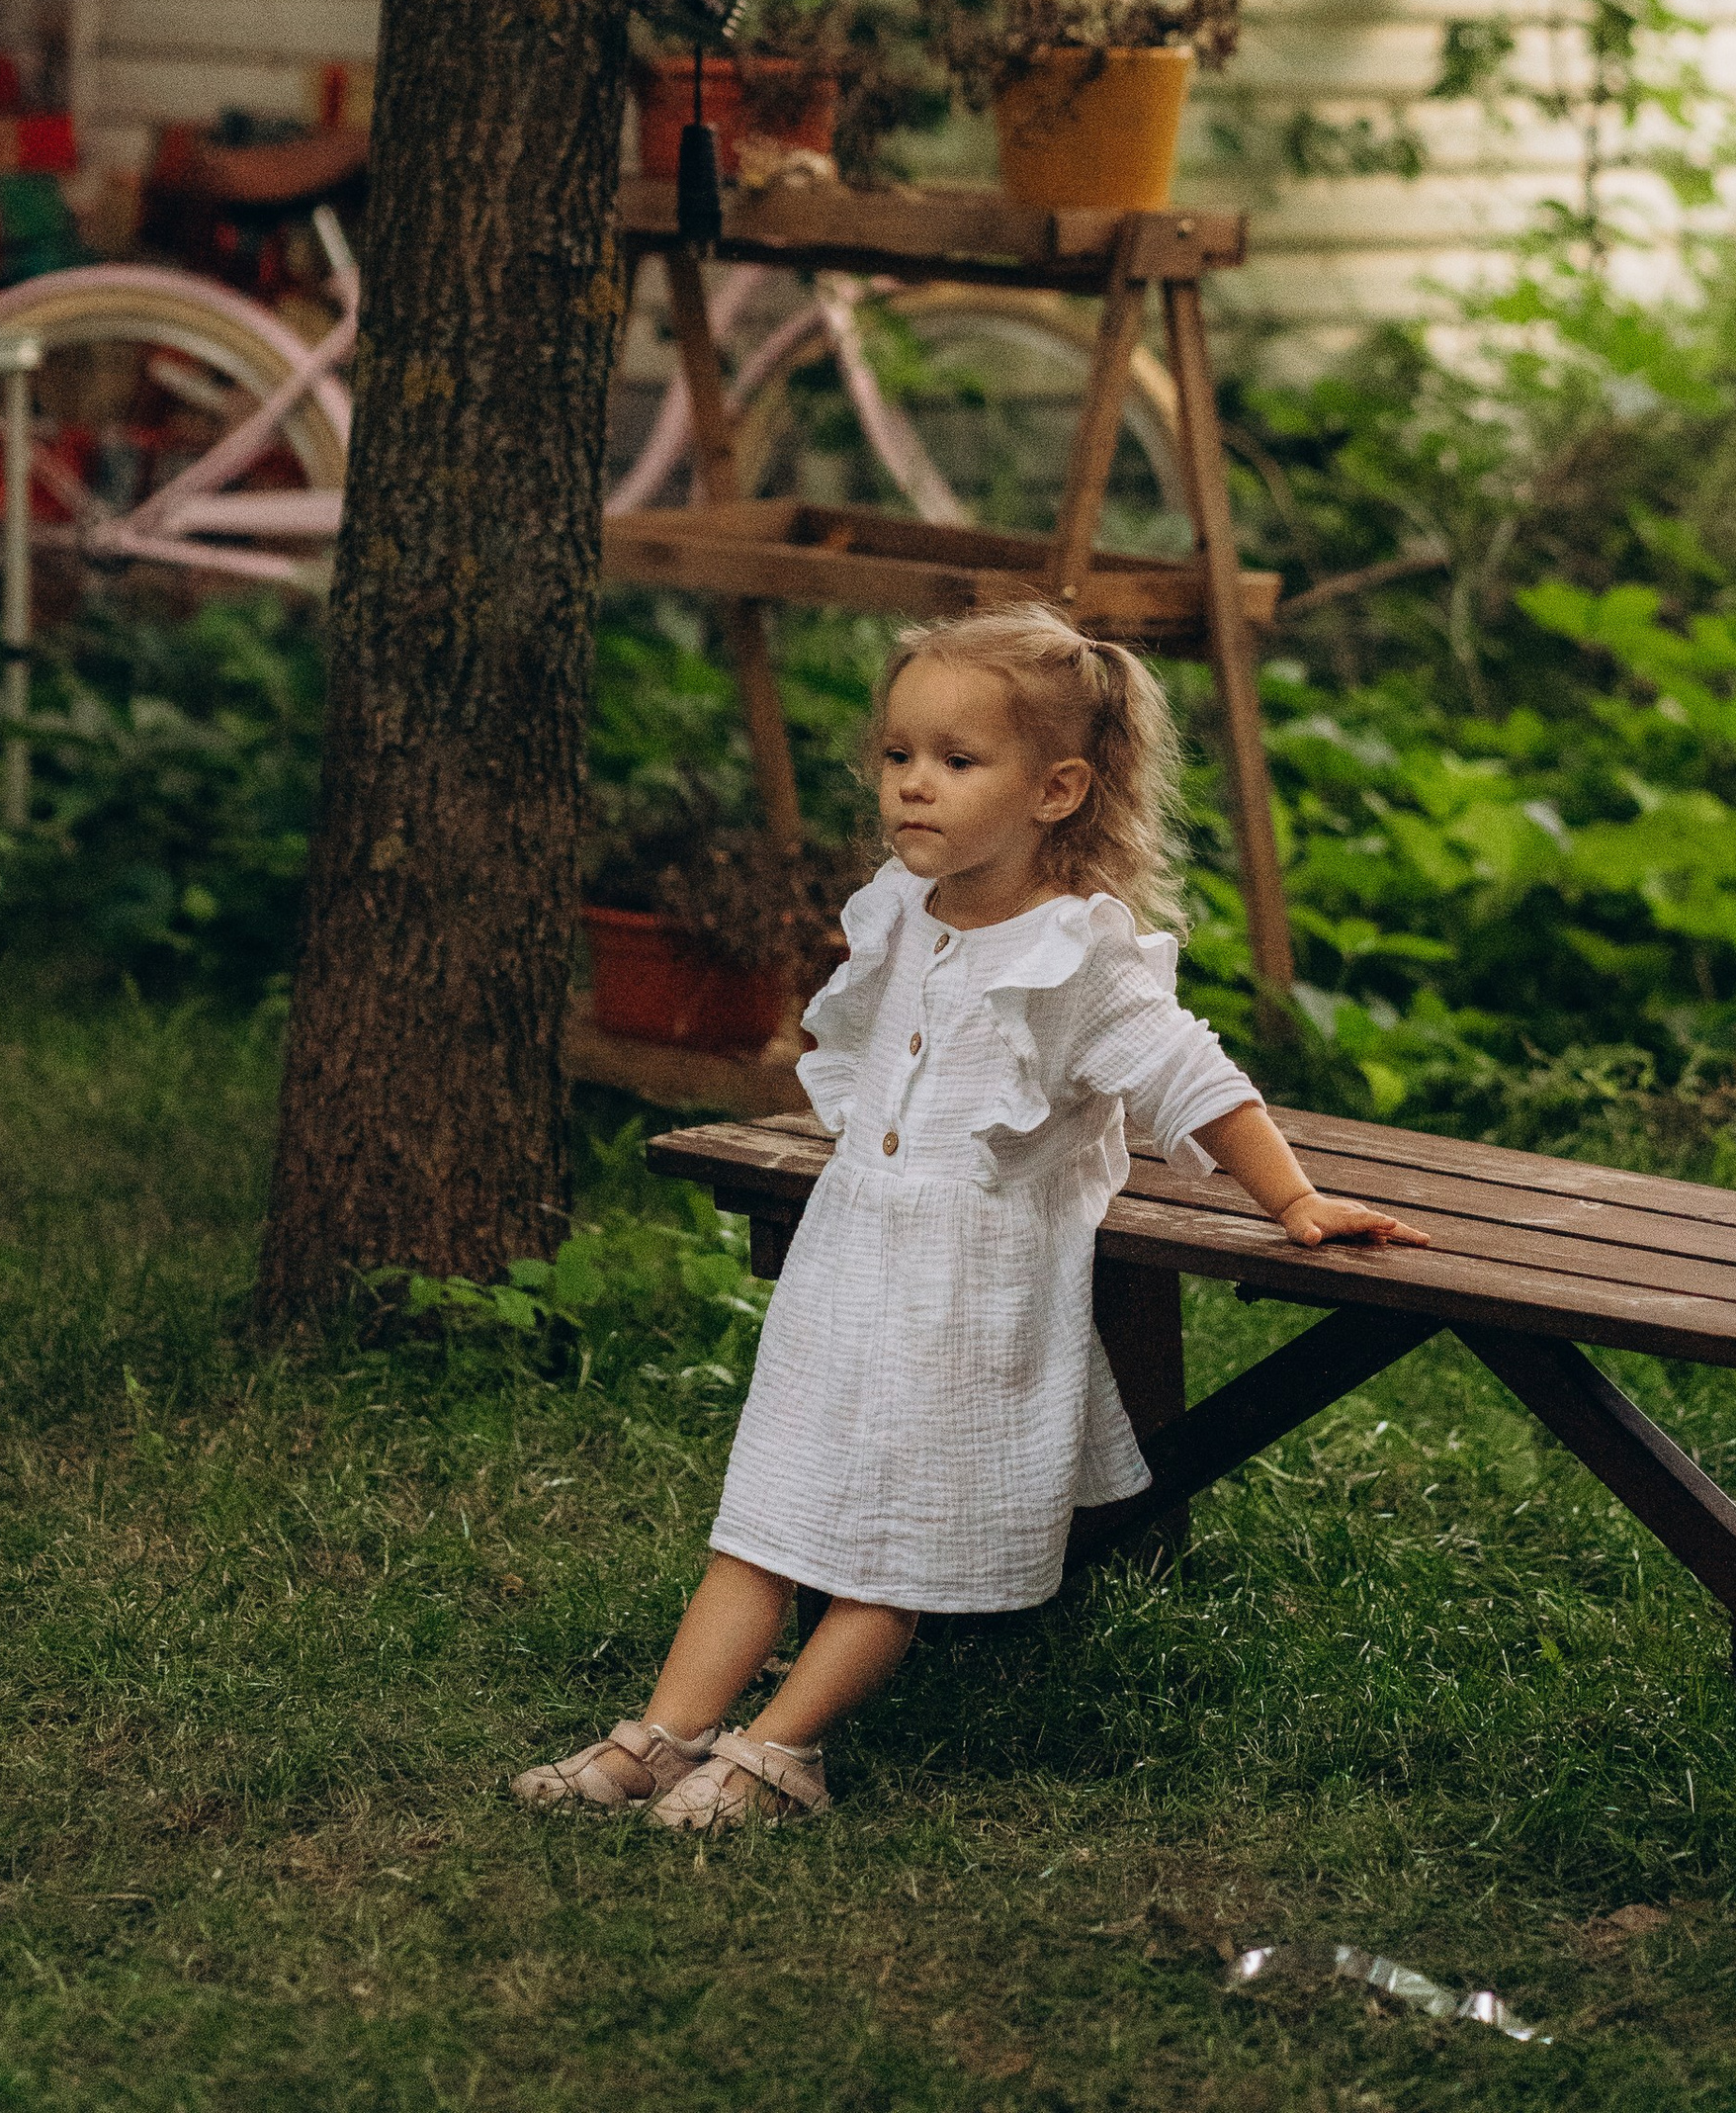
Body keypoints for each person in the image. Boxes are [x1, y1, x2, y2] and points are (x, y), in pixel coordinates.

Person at [513, 602, 1431, 1831]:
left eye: (956, 760)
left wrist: (1296, 1198)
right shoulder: (901, 908)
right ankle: (664, 1736)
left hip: (973, 1291)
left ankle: (781, 1751)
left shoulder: (1078, 954)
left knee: (899, 1538)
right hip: (849, 1265)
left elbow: (1192, 1078)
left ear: (1056, 791)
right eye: (897, 755)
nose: (912, 785)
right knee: (769, 1510)